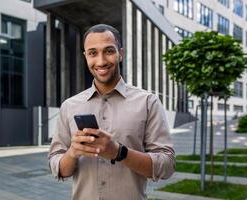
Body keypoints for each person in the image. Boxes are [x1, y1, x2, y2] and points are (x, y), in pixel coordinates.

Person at [48, 24, 175, 200]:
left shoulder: (147, 102)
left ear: (120, 53)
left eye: (108, 51)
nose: (101, 61)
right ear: (86, 56)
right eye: (93, 53)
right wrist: (73, 152)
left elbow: (167, 166)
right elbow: (57, 166)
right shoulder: (69, 106)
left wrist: (119, 152)